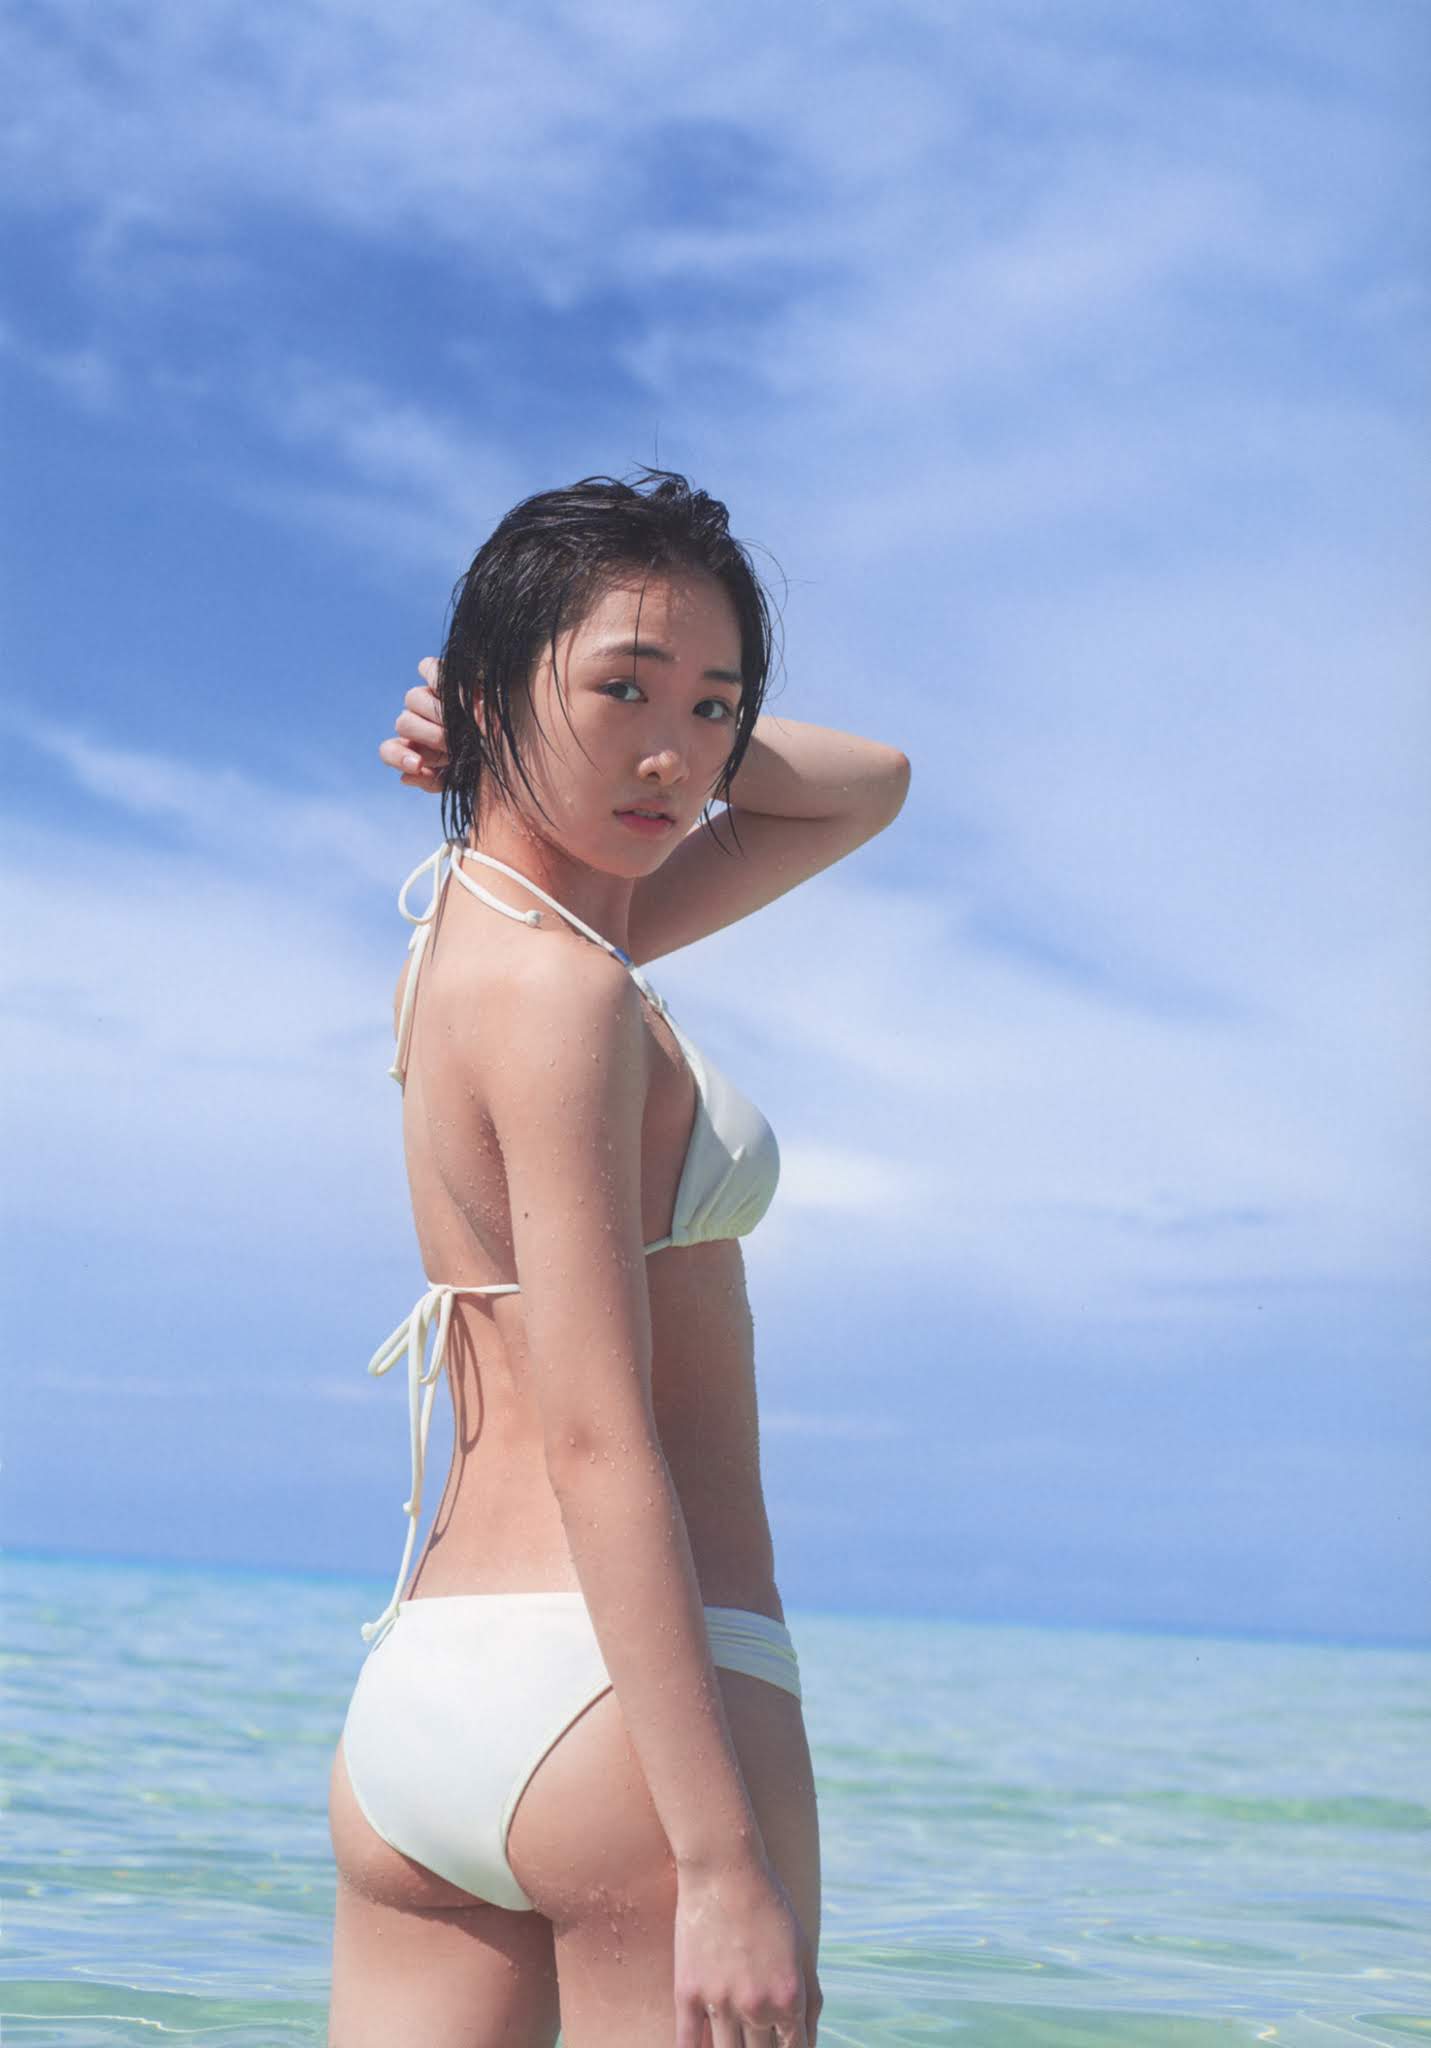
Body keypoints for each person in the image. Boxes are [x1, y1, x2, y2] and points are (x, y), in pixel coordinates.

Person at [326, 468, 910, 2048]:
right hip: (630, 1701)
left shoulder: (474, 941)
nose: (676, 755)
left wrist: (542, 717)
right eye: (622, 689)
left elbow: (869, 782)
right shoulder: (574, 993)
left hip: (421, 1707)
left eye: (716, 706)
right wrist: (718, 1863)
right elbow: (597, 1433)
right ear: (489, 684)